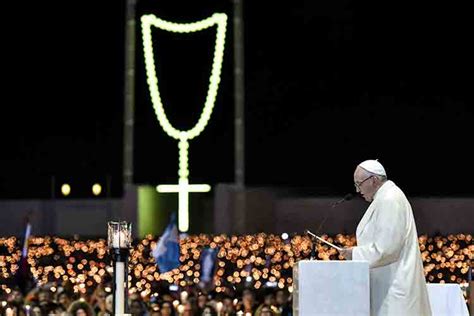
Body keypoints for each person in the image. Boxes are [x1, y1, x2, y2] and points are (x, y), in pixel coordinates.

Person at [340, 159, 431, 315]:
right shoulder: (385, 198)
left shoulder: (390, 199)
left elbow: (387, 249)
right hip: (387, 286)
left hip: (395, 289)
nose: (357, 190)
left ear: (374, 180)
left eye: (359, 183)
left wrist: (354, 254)